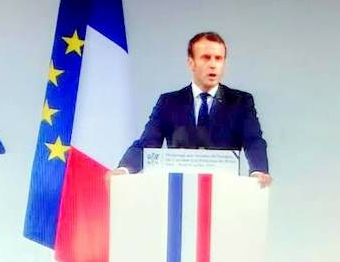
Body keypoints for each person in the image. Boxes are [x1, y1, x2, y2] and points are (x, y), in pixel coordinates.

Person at [111, 32, 272, 188]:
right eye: (206, 57)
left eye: (218, 58)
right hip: (180, 192)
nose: (213, 64)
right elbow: (147, 143)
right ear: (191, 63)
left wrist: (258, 170)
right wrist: (124, 169)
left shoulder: (240, 102)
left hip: (224, 192)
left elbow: (253, 141)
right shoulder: (169, 102)